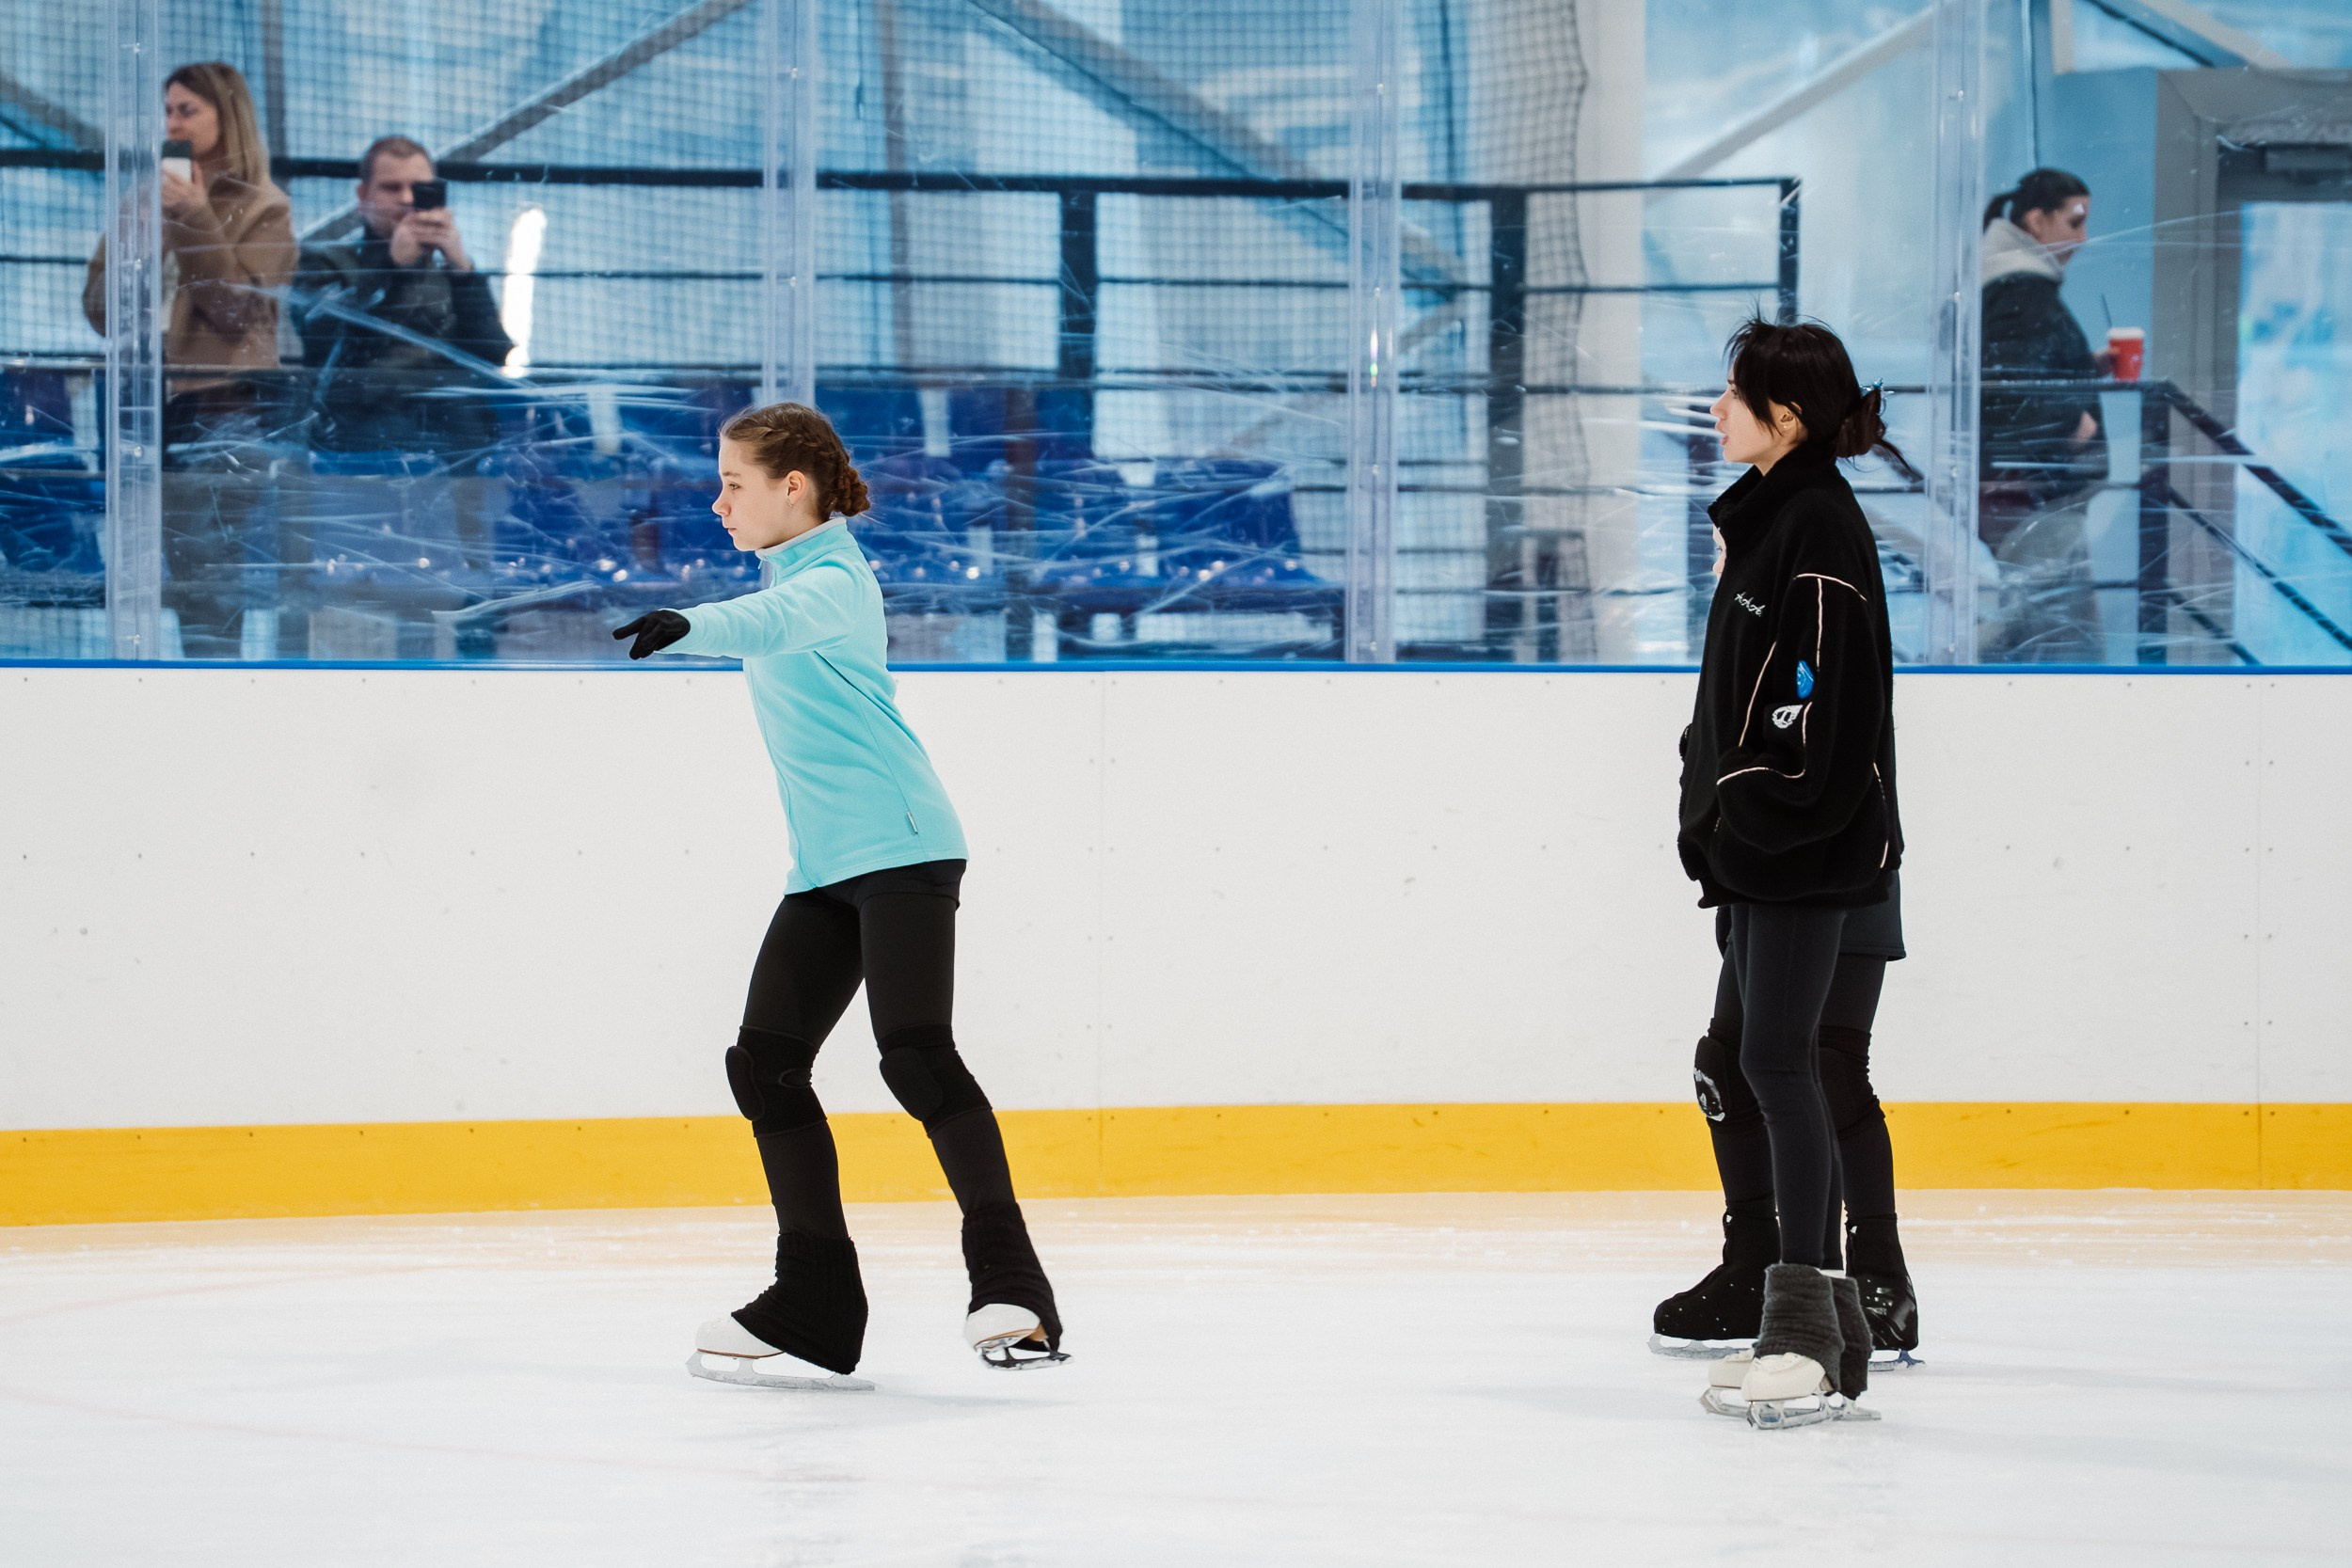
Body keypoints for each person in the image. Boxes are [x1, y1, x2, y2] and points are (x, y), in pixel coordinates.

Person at [611, 402, 1064, 1388]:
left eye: (733, 482)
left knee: (915, 1056)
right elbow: (768, 612)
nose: (717, 500)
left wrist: (692, 621)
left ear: (793, 487)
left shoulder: (834, 580)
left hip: (902, 846)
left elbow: (773, 621)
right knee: (764, 1064)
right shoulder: (793, 575)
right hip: (825, 865)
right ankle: (816, 1294)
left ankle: (1014, 1284)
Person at [1674, 316, 1907, 1430]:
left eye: (1733, 392)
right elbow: (1731, 699)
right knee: (1755, 1059)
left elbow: (1826, 708)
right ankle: (1827, 1327)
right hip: (1764, 851)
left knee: (1782, 1062)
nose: (1714, 407)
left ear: (1789, 416)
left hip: (1805, 855)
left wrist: (1758, 810)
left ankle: (1807, 1330)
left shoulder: (1813, 522)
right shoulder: (1773, 517)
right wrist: (1710, 809)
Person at [1649, 889, 1918, 1361]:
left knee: (1828, 1069)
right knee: (1725, 1065)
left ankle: (1879, 1276)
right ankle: (1756, 1262)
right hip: (1755, 870)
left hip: (1836, 859)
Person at [83, 61, 295, 659]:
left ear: (227, 118)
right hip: (143, 404)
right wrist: (136, 249)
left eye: (188, 110)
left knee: (210, 567)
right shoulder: (141, 201)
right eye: (168, 110)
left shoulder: (265, 210)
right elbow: (100, 312)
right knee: (157, 562)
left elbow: (234, 312)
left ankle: (216, 684)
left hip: (224, 405)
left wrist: (195, 218)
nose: (172, 122)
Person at [295, 135, 512, 454]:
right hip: (368, 440)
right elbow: (331, 355)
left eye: (420, 188)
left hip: (458, 441)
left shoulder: (452, 271)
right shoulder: (326, 263)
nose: (408, 199)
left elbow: (493, 354)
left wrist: (463, 269)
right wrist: (393, 267)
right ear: (362, 195)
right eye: (391, 188)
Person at [1979, 168, 2109, 663]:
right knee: (2060, 644)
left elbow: (2018, 371)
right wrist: (2073, 424)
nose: (2083, 238)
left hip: (2034, 495)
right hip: (2036, 496)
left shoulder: (2016, 286)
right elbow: (2007, 393)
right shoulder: (2019, 290)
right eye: (2074, 223)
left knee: (2039, 630)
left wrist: (2082, 371)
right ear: (2036, 221)